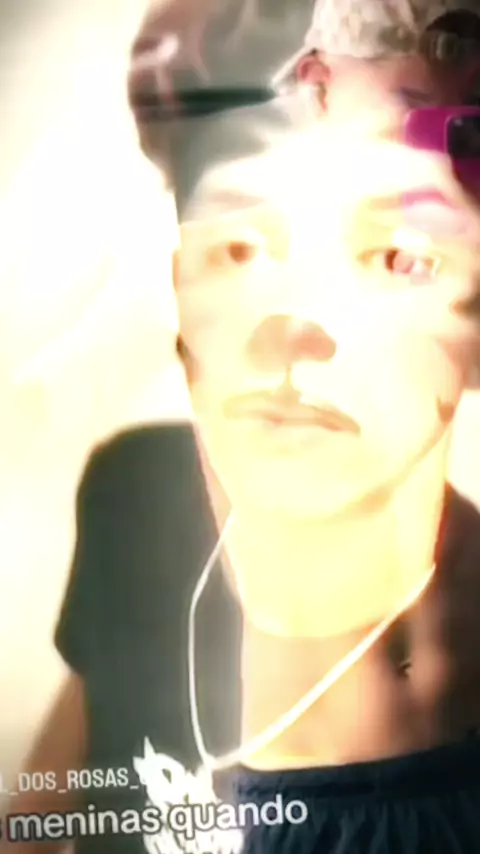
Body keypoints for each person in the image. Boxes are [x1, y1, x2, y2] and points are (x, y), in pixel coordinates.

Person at [5, 0, 480, 853]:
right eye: (243, 247)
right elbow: (44, 815)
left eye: (399, 258)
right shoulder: (133, 499)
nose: (290, 327)